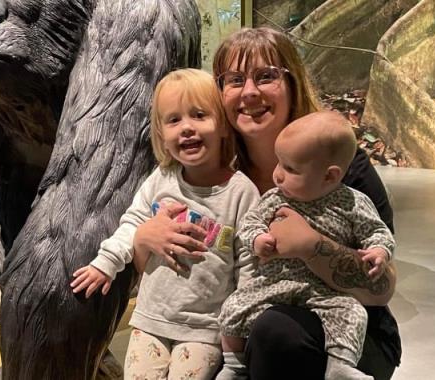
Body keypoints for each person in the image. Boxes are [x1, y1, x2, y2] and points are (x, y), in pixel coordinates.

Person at [134, 27, 401, 379]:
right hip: (234, 331)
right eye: (234, 79)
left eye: (266, 77)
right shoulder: (211, 175)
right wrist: (143, 239)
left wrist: (312, 246)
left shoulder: (341, 169)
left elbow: (381, 290)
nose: (249, 92)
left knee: (274, 329)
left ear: (293, 85)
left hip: (343, 331)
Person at [69, 68, 260, 380]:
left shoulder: (241, 193)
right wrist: (106, 262)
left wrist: (239, 334)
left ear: (224, 126)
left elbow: (249, 267)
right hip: (151, 320)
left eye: (199, 115)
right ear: (161, 134)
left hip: (205, 329)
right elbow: (132, 223)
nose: (186, 128)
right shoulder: (161, 180)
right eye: (173, 120)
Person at [216, 111, 396, 380]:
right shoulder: (275, 198)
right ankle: (234, 365)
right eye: (279, 164)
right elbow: (251, 222)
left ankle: (340, 366)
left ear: (329, 176)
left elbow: (377, 232)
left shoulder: (353, 202)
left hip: (326, 292)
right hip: (276, 285)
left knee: (351, 314)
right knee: (234, 307)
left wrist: (380, 251)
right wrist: (257, 239)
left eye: (290, 169)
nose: (277, 175)